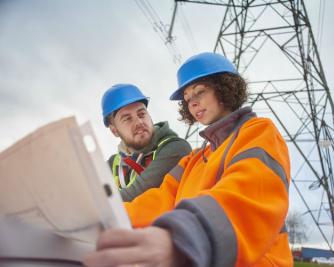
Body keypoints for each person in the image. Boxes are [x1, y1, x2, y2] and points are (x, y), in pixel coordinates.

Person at [85, 53, 292, 267]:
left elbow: (247, 199)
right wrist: (105, 219)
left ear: (225, 87)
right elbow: (160, 199)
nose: (192, 103)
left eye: (199, 92)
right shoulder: (194, 159)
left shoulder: (258, 133)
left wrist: (183, 240)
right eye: (187, 99)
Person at [101, 83, 192, 201]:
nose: (139, 122)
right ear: (114, 131)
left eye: (141, 114)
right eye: (127, 119)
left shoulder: (175, 148)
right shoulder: (113, 164)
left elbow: (135, 194)